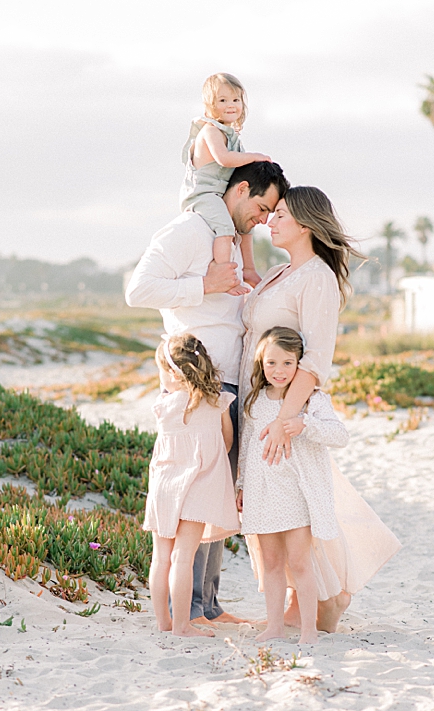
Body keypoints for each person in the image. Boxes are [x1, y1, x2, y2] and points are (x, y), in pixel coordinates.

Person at [126, 160, 290, 627]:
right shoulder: (187, 231)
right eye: (260, 208)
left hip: (232, 377)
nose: (262, 220)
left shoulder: (232, 240)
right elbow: (138, 290)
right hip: (198, 380)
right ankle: (191, 608)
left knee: (215, 492)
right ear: (239, 191)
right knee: (196, 492)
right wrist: (203, 285)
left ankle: (208, 606)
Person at [237, 186, 401, 634]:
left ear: (307, 225)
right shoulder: (278, 272)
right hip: (260, 406)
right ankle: (302, 601)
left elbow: (314, 360)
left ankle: (327, 599)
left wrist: (285, 421)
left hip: (283, 411)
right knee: (276, 509)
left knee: (298, 506)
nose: (272, 219)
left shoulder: (317, 278)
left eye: (282, 214)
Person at [237, 326, 347, 645]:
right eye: (271, 363)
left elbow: (340, 436)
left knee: (299, 562)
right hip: (262, 491)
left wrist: (305, 425)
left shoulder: (312, 400)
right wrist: (241, 485)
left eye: (288, 363)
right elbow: (247, 445)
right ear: (261, 363)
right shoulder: (256, 400)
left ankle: (309, 630)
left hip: (296, 493)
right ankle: (274, 626)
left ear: (300, 364)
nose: (279, 371)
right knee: (271, 563)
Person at [144, 334, 239, 638]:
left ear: (173, 374)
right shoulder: (218, 402)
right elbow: (226, 443)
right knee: (183, 557)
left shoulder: (163, 406)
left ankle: (164, 623)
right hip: (199, 487)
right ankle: (183, 625)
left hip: (164, 486)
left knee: (161, 557)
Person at [181, 73, 272, 292]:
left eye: (236, 100)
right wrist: (254, 156)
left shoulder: (233, 137)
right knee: (225, 229)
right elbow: (224, 159)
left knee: (245, 227)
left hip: (219, 194)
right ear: (211, 105)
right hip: (203, 195)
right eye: (223, 101)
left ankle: (248, 268)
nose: (231, 105)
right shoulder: (210, 131)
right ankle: (223, 275)